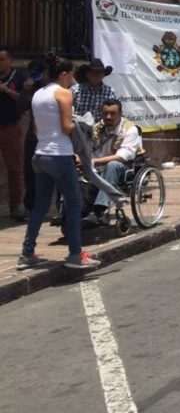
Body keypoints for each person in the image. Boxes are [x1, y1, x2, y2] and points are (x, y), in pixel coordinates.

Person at [17, 56, 101, 270]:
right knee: (73, 204)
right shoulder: (63, 93)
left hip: (40, 154)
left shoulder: (38, 94)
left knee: (41, 206)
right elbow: (66, 126)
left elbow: (36, 130)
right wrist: (82, 125)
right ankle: (75, 253)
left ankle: (27, 252)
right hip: (60, 154)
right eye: (71, 75)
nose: (71, 79)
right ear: (64, 74)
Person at [89, 99, 143, 221]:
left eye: (112, 113)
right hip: (96, 166)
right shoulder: (97, 128)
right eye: (105, 113)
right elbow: (87, 148)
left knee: (113, 165)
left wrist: (93, 161)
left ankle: (100, 208)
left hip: (123, 168)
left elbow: (122, 156)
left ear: (120, 114)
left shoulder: (130, 129)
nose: (108, 117)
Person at [0, 46, 32, 220]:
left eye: (2, 60)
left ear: (10, 61)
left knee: (14, 167)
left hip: (10, 127)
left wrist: (6, 90)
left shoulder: (18, 77)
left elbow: (23, 99)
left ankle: (16, 206)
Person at [73, 58, 115, 122]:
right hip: (79, 129)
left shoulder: (110, 92)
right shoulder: (75, 90)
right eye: (93, 71)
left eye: (99, 72)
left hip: (102, 129)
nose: (96, 74)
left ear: (103, 75)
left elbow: (116, 111)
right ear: (86, 73)